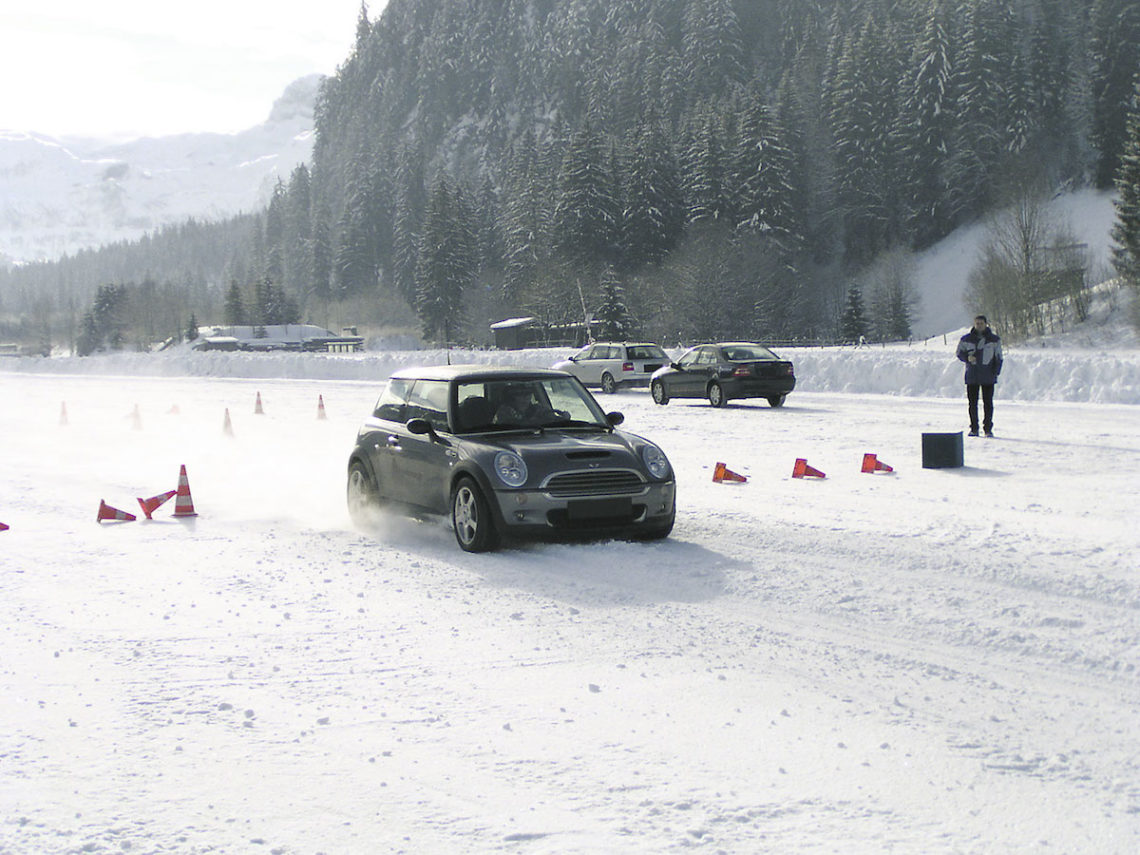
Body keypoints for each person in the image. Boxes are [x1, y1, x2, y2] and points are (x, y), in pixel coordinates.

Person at [956, 314, 1003, 437]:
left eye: (981, 323)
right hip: (972, 376)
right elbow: (959, 353)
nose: (979, 325)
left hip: (988, 376)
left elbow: (999, 357)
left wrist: (996, 372)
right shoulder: (966, 339)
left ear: (986, 324)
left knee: (988, 403)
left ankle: (988, 429)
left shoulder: (994, 340)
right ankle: (974, 428)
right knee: (972, 404)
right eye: (977, 323)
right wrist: (967, 358)